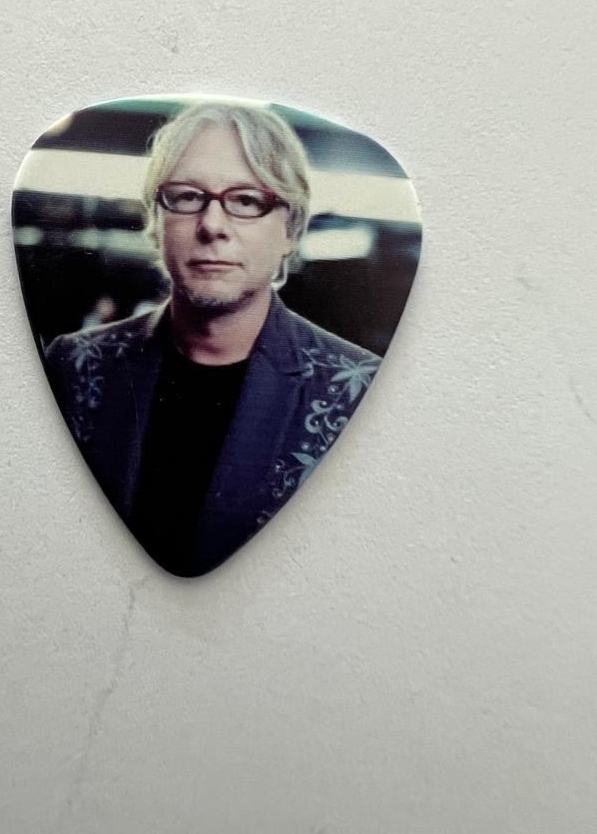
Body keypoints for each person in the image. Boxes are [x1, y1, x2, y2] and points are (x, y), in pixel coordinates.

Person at [46, 102, 380, 576]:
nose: (212, 226)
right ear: (157, 221)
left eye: (246, 201)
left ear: (290, 229)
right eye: (186, 196)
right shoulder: (75, 364)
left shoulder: (357, 386)